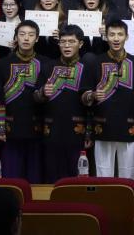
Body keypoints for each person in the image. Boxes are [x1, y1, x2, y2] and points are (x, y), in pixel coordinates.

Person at [83, 19, 134, 179]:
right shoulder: (95, 63)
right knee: (103, 175)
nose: (116, 38)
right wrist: (92, 95)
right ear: (106, 36)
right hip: (102, 127)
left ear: (127, 36)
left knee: (129, 175)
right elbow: (84, 97)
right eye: (112, 34)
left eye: (120, 34)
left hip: (129, 127)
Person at [0, 20, 50, 183]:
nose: (26, 38)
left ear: (37, 39)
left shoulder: (46, 63)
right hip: (10, 129)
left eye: (31, 35)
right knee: (11, 177)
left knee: (35, 177)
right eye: (22, 34)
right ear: (16, 37)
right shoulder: (2, 64)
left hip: (37, 128)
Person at [34, 23, 93, 182]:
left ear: (81, 44)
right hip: (51, 129)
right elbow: (35, 98)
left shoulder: (87, 68)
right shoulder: (48, 67)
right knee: (51, 174)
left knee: (77, 176)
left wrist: (88, 132)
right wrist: (42, 93)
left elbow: (92, 106)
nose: (67, 46)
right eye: (63, 41)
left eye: (71, 42)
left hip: (77, 131)